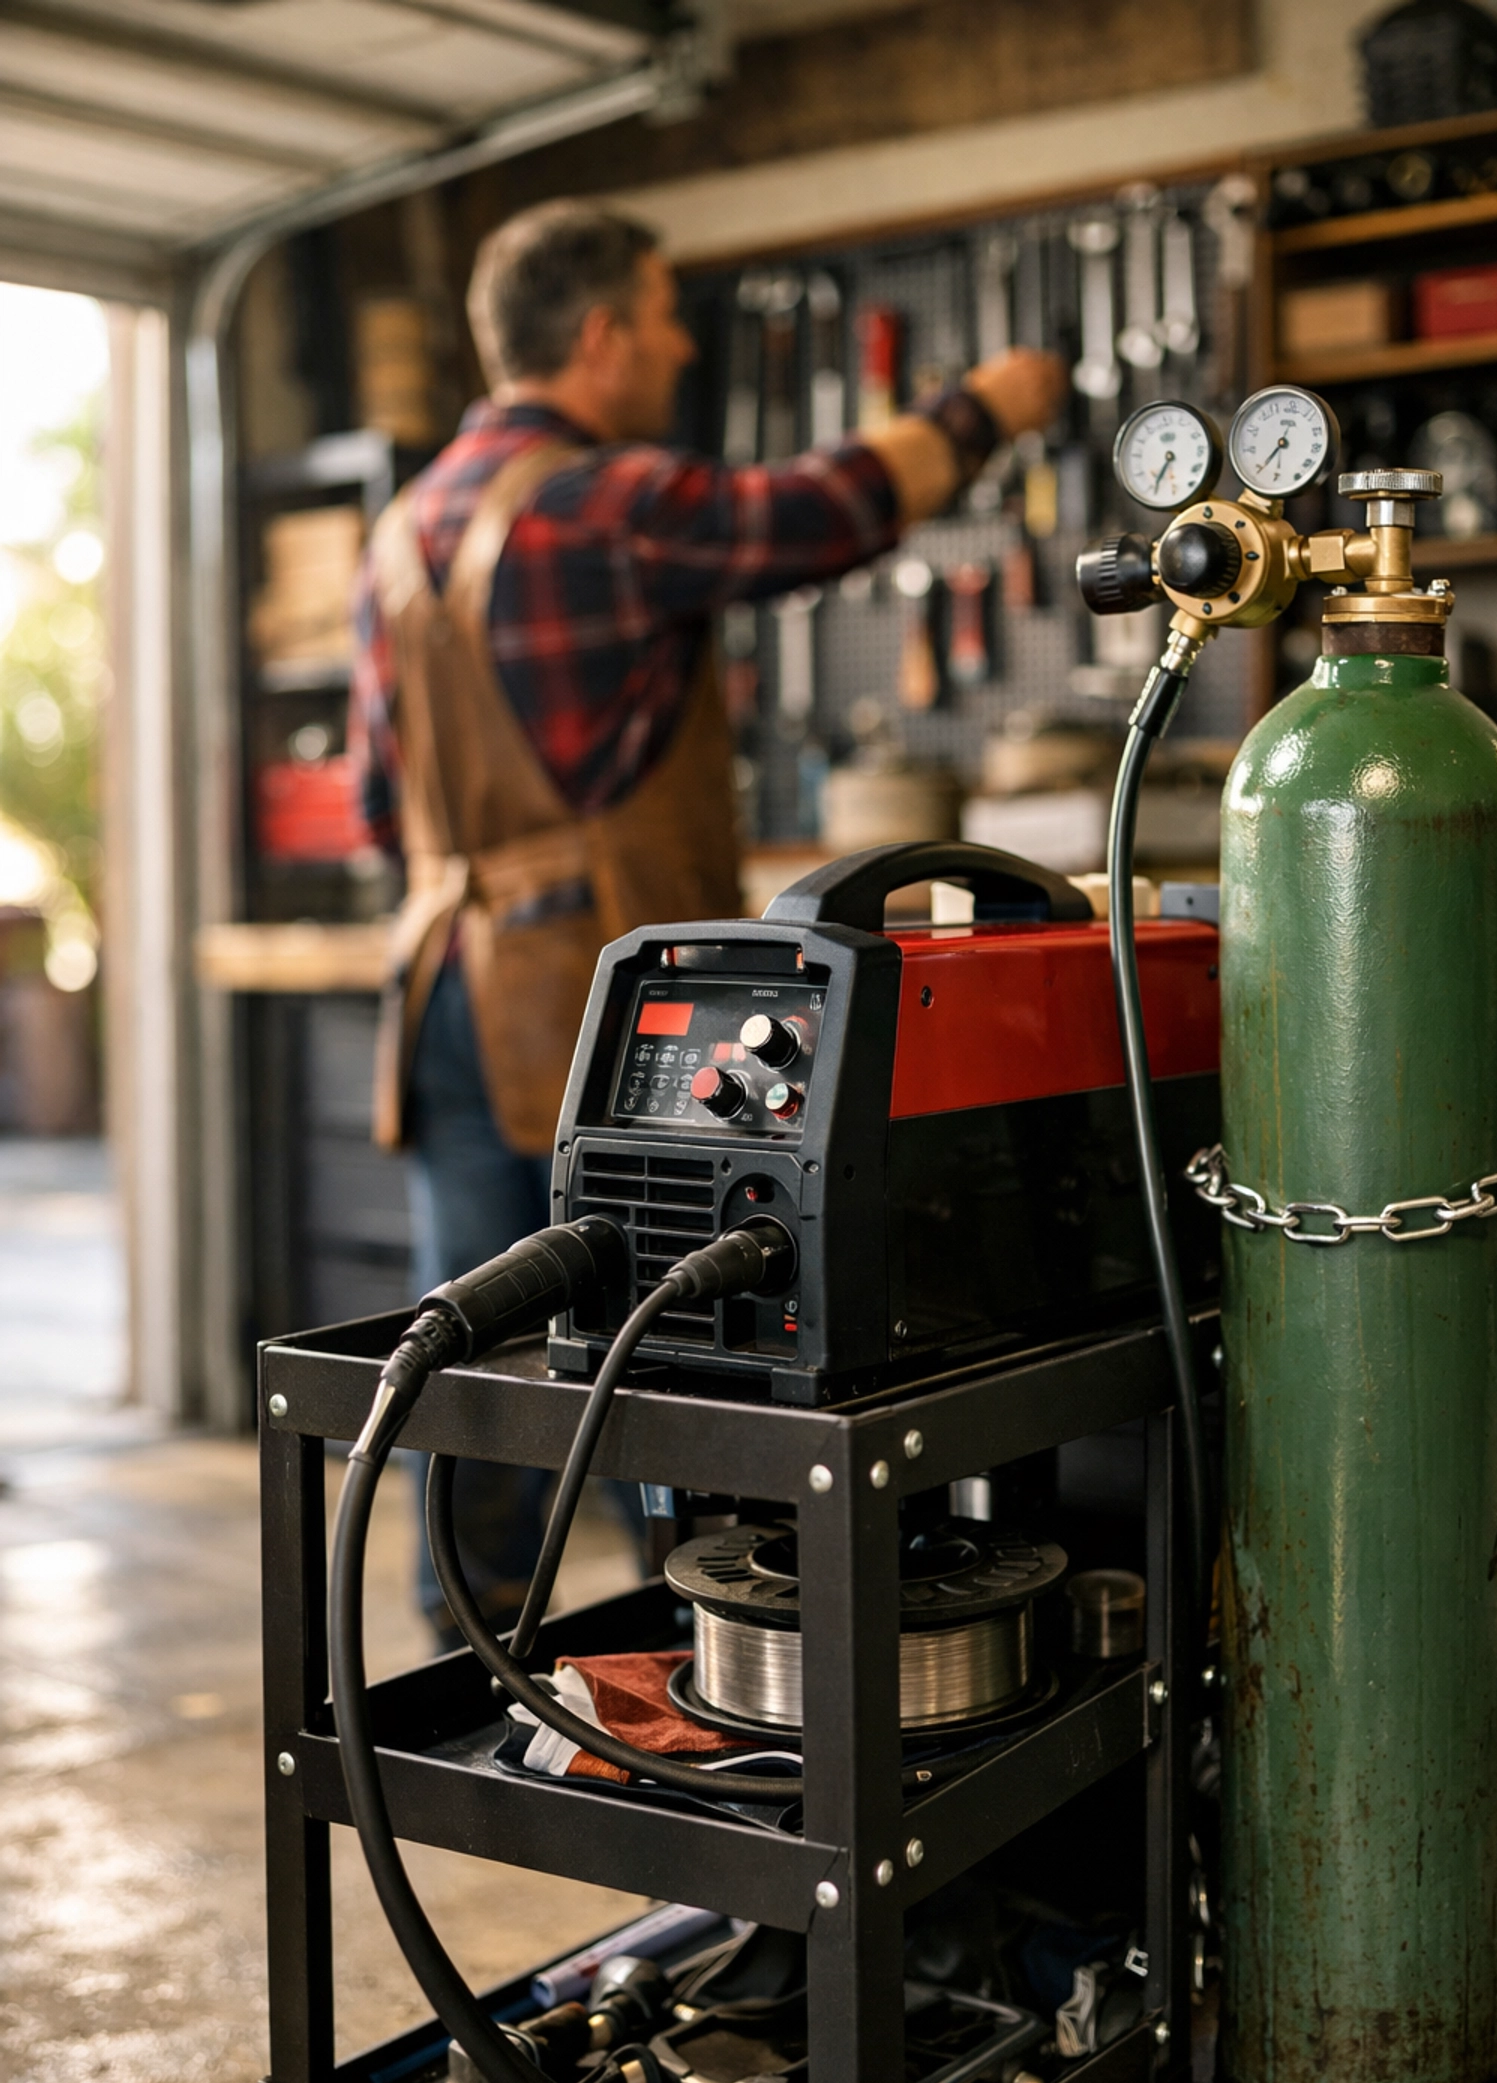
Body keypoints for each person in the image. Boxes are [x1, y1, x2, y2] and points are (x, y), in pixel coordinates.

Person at [348, 199, 1066, 1641]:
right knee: (664, 1352)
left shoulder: (403, 528)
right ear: (603, 335)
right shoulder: (592, 497)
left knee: (485, 1345)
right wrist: (978, 409)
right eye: (667, 316)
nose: (682, 345)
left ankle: (487, 1661)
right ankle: (692, 1653)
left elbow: (378, 806)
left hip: (438, 979)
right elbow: (815, 511)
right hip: (584, 991)